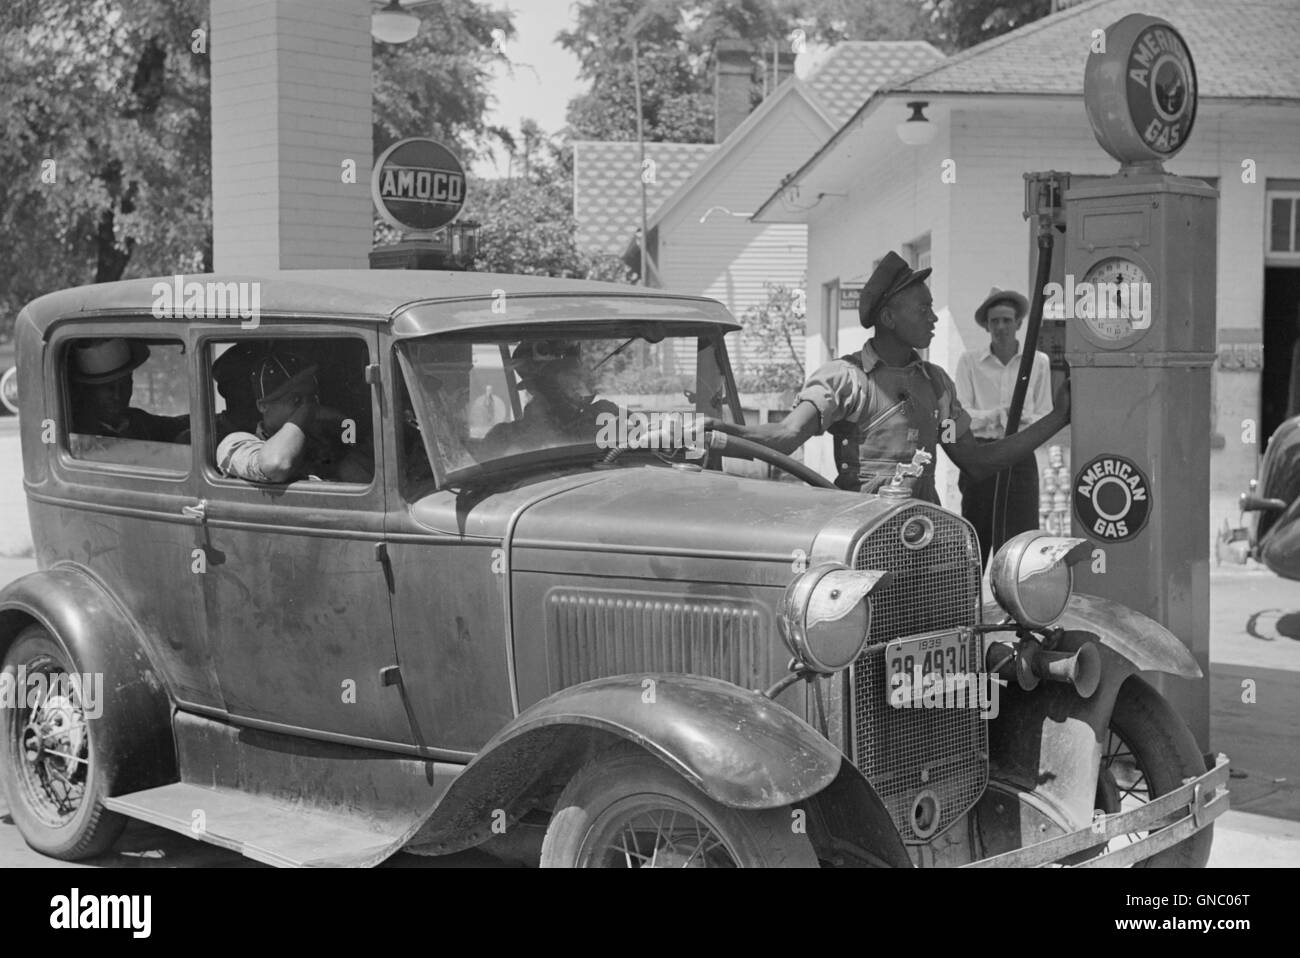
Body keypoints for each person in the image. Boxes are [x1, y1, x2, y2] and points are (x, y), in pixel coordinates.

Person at [706, 251, 1070, 506]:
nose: (934, 318)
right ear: (890, 318)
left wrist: (1059, 417)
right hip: (860, 540)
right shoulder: (845, 380)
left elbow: (975, 461)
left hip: (924, 541)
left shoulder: (937, 386)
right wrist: (700, 433)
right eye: (923, 308)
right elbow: (786, 437)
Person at [955, 287, 1054, 566]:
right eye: (994, 321)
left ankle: (1014, 604)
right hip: (981, 455)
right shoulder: (969, 362)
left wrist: (1022, 420)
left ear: (1019, 324)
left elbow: (1044, 415)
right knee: (975, 540)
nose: (1001, 327)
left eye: (1007, 320)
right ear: (986, 325)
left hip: (1020, 457)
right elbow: (961, 416)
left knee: (1020, 544)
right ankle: (970, 603)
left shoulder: (1039, 362)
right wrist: (999, 415)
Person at [216, 350, 372, 483]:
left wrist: (341, 421)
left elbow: (357, 454)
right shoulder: (237, 443)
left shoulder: (318, 436)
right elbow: (277, 464)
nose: (309, 405)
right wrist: (306, 412)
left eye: (311, 397)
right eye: (296, 400)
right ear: (263, 405)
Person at [483, 340, 618, 455]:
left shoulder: (605, 417)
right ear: (536, 387)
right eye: (570, 383)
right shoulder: (503, 437)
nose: (579, 390)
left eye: (580, 381)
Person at [68, 338, 189, 442]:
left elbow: (175, 425)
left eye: (124, 384)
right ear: (90, 391)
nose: (118, 395)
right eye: (109, 388)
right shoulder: (80, 433)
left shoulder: (137, 420)